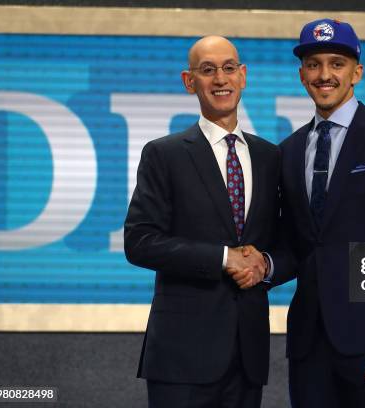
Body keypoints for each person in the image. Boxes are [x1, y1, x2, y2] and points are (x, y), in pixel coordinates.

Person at [268, 18, 365, 408]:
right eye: (314, 64)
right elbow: (299, 244)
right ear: (302, 74)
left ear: (357, 72)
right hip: (308, 344)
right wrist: (264, 266)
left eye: (336, 64)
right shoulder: (288, 151)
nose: (325, 74)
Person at [123, 36, 279, 408]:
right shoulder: (164, 154)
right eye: (207, 70)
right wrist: (225, 258)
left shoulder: (271, 157)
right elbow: (140, 241)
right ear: (189, 81)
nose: (220, 79)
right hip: (181, 357)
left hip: (248, 356)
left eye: (228, 68)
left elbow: (288, 243)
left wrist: (266, 265)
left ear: (243, 76)